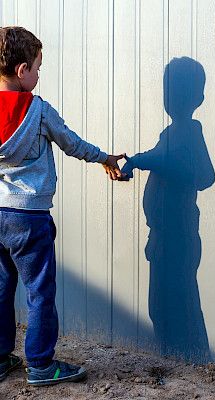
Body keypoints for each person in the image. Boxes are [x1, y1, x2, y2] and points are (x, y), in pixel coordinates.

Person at [0, 26, 124, 385]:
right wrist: (104, 158)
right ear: (22, 71)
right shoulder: (38, 111)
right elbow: (71, 142)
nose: (38, 75)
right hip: (28, 216)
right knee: (40, 290)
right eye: (37, 68)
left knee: (2, 287)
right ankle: (40, 365)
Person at [121, 57, 215, 360]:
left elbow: (204, 175)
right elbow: (159, 155)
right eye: (168, 90)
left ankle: (190, 357)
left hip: (179, 234)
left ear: (197, 98)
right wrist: (136, 160)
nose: (170, 98)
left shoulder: (189, 133)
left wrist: (146, 161)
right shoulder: (171, 134)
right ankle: (175, 354)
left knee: (177, 301)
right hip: (163, 235)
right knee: (161, 303)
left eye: (176, 91)